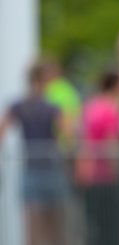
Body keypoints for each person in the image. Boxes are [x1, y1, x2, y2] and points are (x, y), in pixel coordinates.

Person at [0, 58, 68, 245]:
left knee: (34, 227)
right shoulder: (52, 107)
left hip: (32, 169)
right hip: (49, 169)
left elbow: (2, 130)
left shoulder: (20, 105)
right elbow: (68, 133)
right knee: (54, 226)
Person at [76, 70, 119, 245]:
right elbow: (112, 144)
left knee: (94, 225)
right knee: (111, 227)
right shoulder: (110, 109)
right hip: (106, 175)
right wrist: (117, 173)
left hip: (89, 174)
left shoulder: (90, 107)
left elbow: (82, 140)